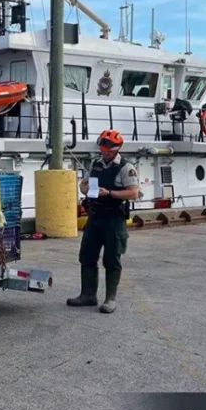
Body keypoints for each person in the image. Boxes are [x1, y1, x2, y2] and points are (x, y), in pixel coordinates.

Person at [67, 130, 139, 313]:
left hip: (114, 218)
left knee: (112, 258)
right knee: (87, 255)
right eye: (103, 150)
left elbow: (133, 192)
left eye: (108, 150)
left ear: (117, 149)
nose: (105, 153)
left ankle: (110, 299)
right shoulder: (96, 165)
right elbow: (84, 183)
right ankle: (88, 295)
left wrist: (110, 193)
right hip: (95, 216)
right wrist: (85, 188)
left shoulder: (125, 167)